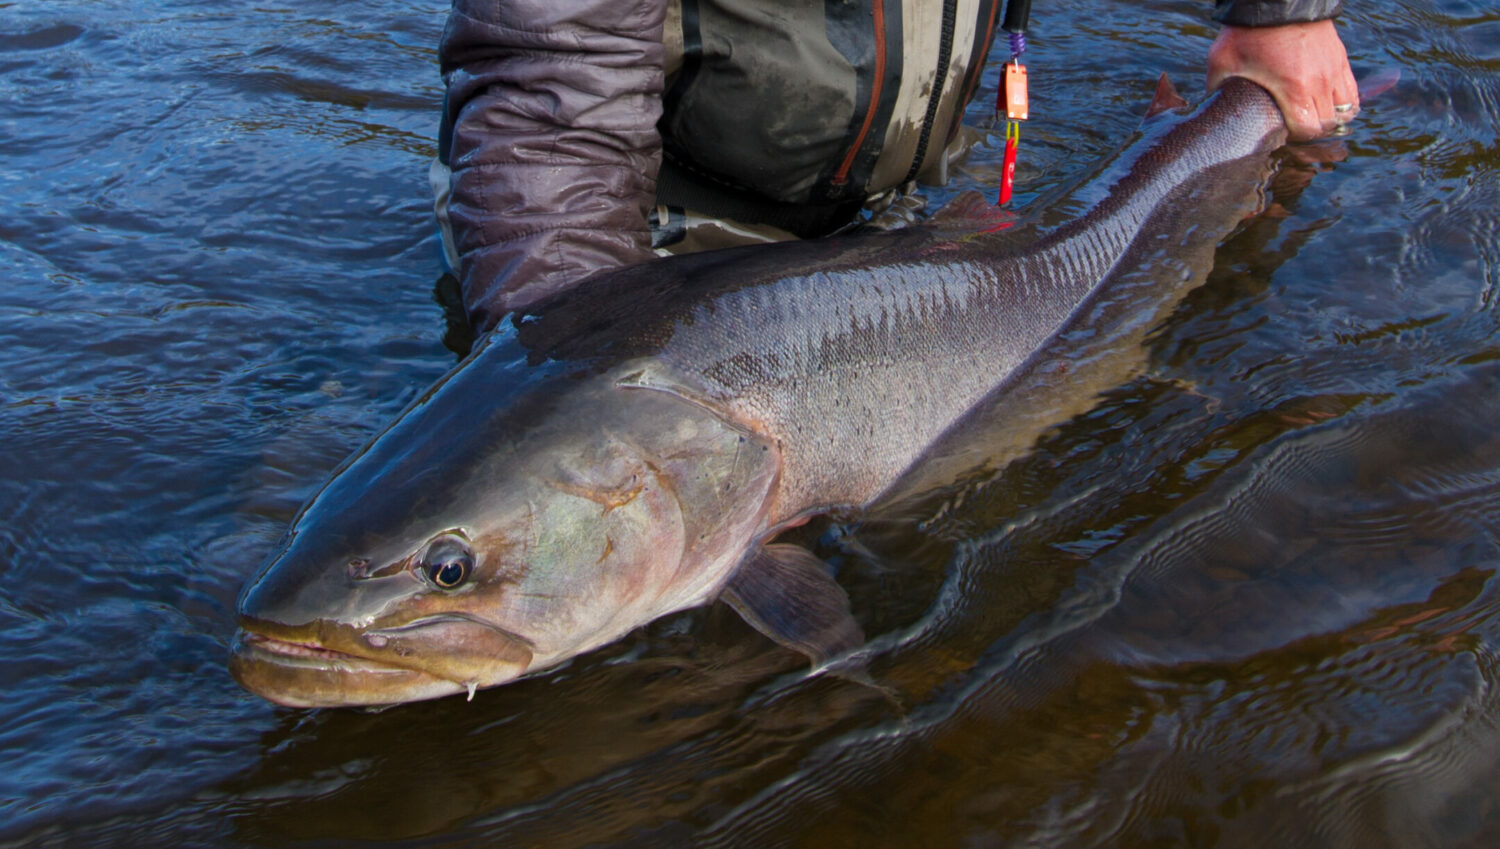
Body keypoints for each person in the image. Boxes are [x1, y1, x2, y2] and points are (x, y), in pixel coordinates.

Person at [432, 0, 1358, 335]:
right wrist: (559, 353)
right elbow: (549, 111)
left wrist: (1281, 10)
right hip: (647, 246)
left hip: (897, 205)